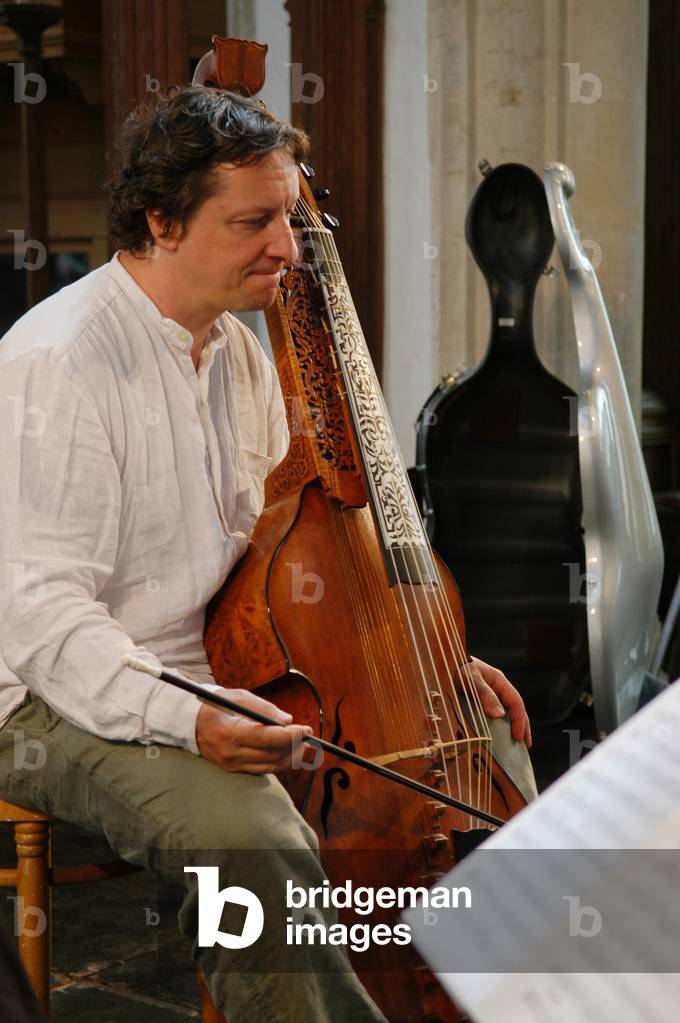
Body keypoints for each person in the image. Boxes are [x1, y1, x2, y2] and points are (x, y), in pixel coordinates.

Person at [0, 87, 535, 1021]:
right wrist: (187, 719)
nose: (288, 246)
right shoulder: (57, 361)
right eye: (254, 222)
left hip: (207, 670)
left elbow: (274, 560)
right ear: (163, 223)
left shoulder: (241, 358)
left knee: (486, 741)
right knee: (247, 835)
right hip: (49, 696)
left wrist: (411, 664)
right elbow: (42, 619)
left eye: (289, 215)